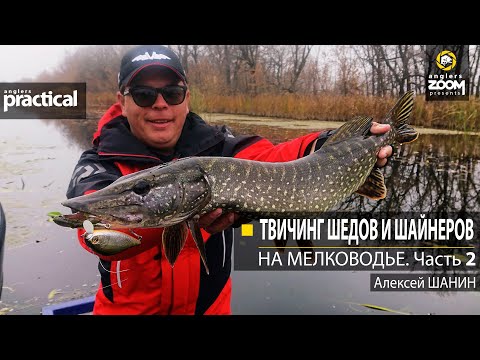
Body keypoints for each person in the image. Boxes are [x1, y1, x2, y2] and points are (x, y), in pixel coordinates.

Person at [66, 45, 393, 315]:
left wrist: (324, 144)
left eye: (172, 92)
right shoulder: (99, 161)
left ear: (186, 98)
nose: (160, 103)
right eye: (143, 94)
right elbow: (95, 232)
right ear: (122, 101)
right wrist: (163, 215)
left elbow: (275, 160)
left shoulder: (221, 147)